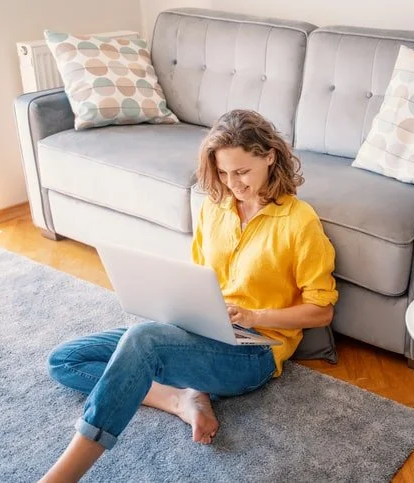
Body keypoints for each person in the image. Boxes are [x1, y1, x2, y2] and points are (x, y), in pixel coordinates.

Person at [40, 110, 338, 482]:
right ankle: (179, 398)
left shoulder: (300, 222)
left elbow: (321, 312)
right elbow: (198, 276)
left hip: (254, 350)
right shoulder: (216, 207)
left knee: (141, 341)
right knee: (65, 360)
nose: (233, 183)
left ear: (269, 156)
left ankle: (62, 476)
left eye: (242, 171)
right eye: (225, 173)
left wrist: (253, 316)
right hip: (202, 328)